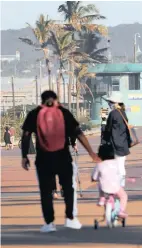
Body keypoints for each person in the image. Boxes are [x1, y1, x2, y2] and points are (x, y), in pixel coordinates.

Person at [21, 90, 101, 233]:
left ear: (42, 100)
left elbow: (26, 135)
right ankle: (70, 219)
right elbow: (78, 133)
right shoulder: (64, 113)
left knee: (45, 192)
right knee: (69, 189)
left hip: (43, 159)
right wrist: (91, 152)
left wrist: (24, 156)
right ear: (56, 100)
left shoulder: (34, 114)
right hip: (63, 157)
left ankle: (49, 223)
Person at [102, 92, 131, 188]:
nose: (109, 104)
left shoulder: (113, 114)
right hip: (123, 144)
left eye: (110, 102)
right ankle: (121, 185)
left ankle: (118, 186)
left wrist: (103, 126)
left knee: (116, 167)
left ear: (116, 103)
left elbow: (108, 129)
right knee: (121, 165)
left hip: (115, 144)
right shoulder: (122, 113)